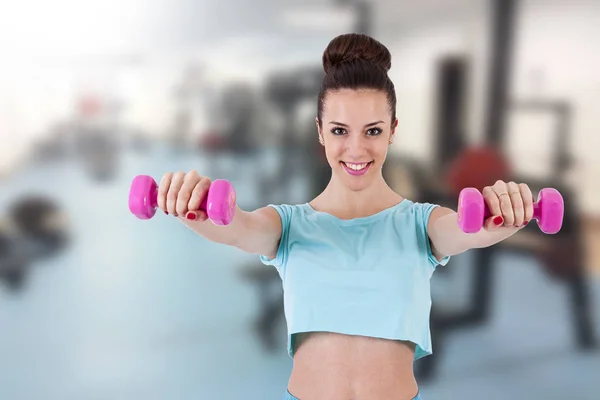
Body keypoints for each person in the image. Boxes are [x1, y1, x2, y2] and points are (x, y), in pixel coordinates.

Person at [156, 33, 535, 400]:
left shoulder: (422, 223)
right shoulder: (288, 225)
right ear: (320, 131)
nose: (356, 149)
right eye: (340, 130)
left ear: (392, 132)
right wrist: (197, 207)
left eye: (373, 131)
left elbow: (465, 231)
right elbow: (238, 228)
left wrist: (500, 216)